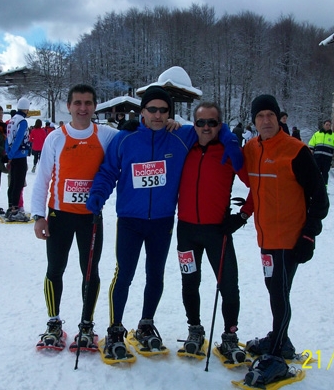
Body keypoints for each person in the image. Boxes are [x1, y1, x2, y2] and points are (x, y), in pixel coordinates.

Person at [85, 86, 243, 360]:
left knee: (155, 275)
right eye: (152, 109)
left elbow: (212, 126)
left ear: (170, 113)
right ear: (142, 111)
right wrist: (98, 193)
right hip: (130, 221)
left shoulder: (180, 136)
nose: (157, 115)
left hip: (162, 222)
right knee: (124, 274)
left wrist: (229, 137)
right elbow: (108, 171)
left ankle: (146, 323)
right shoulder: (125, 138)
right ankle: (115, 327)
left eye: (163, 110)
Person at [241, 94, 329, 387]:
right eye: (260, 116)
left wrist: (309, 234)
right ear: (253, 121)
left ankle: (277, 356)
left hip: (290, 238)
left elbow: (320, 197)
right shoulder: (251, 148)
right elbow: (256, 186)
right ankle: (282, 342)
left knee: (279, 293)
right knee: (274, 288)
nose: (265, 121)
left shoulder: (296, 151)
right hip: (266, 236)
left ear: (279, 117)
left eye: (270, 115)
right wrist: (242, 215)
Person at [31, 84, 118, 350]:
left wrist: (170, 122)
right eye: (77, 103)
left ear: (95, 106)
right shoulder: (56, 138)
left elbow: (139, 137)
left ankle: (86, 324)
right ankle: (54, 321)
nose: (83, 108)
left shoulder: (106, 135)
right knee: (55, 269)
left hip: (90, 219)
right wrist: (38, 215)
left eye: (88, 103)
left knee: (90, 272)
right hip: (60, 216)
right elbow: (43, 177)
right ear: (68, 106)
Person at [177, 102, 253, 362]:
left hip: (216, 232)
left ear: (220, 125)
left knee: (229, 285)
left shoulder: (229, 151)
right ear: (194, 125)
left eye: (212, 122)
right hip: (186, 230)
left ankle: (230, 336)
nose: (206, 127)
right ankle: (195, 329)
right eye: (201, 122)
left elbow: (257, 185)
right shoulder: (184, 148)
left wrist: (242, 216)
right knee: (190, 282)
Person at [5, 97, 30, 222]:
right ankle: (15, 210)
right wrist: (14, 152)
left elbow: (7, 137)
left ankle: (10, 207)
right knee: (18, 183)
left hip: (12, 154)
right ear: (26, 109)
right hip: (20, 154)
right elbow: (19, 138)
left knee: (13, 182)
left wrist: (9, 153)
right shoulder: (22, 121)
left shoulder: (11, 120)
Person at [308, 119, 334, 186]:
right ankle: (315, 187)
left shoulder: (333, 136)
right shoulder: (317, 134)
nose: (328, 126)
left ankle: (324, 188)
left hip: (327, 158)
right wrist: (311, 149)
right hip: (317, 157)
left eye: (329, 125)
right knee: (316, 172)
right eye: (326, 124)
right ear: (324, 125)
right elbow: (311, 143)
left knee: (325, 173)